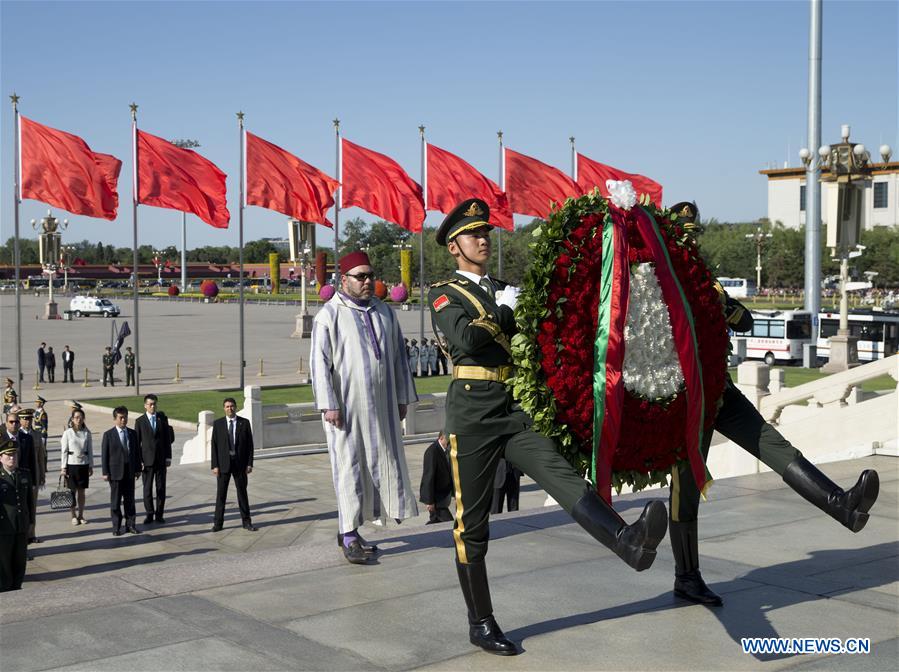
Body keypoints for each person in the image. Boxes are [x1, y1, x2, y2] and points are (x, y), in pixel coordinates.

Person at [429, 199, 668, 655]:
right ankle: (481, 622)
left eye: (486, 232)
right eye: (474, 234)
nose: (484, 239)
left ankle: (628, 542)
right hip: (473, 415)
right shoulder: (445, 292)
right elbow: (465, 339)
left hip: (514, 408)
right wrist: (502, 312)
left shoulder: (504, 288)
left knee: (562, 477)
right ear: (454, 247)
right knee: (471, 525)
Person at [664, 201, 881, 607]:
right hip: (682, 397)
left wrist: (721, 305)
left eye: (693, 236)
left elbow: (744, 320)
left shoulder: (704, 280)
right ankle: (686, 577)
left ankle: (841, 505)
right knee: (686, 487)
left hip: (718, 389)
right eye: (684, 236)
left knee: (771, 442)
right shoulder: (659, 282)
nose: (691, 242)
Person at [311, 250, 419, 565]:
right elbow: (319, 364)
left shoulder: (385, 312)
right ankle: (347, 535)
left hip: (382, 408)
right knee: (349, 467)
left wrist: (401, 398)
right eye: (361, 276)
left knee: (383, 464)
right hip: (345, 409)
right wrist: (329, 404)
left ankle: (354, 529)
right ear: (343, 280)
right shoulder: (329, 315)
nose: (368, 281)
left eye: (371, 275)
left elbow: (400, 359)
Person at [210, 397, 257, 532]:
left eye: (232, 406)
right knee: (221, 495)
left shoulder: (244, 423)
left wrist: (249, 463)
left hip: (240, 464)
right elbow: (214, 446)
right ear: (224, 408)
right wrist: (215, 465)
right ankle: (218, 524)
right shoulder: (218, 424)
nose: (229, 408)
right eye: (227, 406)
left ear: (235, 407)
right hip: (223, 465)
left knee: (242, 493)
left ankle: (247, 522)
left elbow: (250, 446)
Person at [134, 394, 174, 524]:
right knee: (147, 489)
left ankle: (159, 514)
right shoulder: (139, 421)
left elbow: (167, 440)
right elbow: (136, 443)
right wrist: (139, 460)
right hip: (147, 461)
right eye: (150, 404)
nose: (153, 406)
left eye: (154, 404)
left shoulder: (162, 419)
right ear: (145, 405)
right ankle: (149, 514)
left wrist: (168, 457)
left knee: (161, 488)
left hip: (161, 460)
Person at [101, 406, 140, 536]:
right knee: (116, 502)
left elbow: (136, 452)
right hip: (115, 473)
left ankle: (131, 525)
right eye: (121, 417)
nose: (123, 420)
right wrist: (105, 472)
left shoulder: (132, 433)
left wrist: (138, 469)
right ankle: (116, 526)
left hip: (129, 473)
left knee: (130, 501)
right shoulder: (108, 435)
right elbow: (104, 455)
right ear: (115, 419)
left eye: (125, 417)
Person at [0, 438, 31, 592]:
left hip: (21, 526)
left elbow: (29, 502)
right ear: (1, 458)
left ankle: (17, 586)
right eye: (8, 455)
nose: (12, 458)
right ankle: (5, 588)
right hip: (4, 527)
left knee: (20, 561)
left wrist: (30, 524)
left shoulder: (24, 474)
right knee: (4, 562)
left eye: (14, 455)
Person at [17, 409, 46, 545]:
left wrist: (42, 475)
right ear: (20, 420)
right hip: (19, 477)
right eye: (25, 419)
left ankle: (31, 534)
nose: (27, 421)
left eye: (29, 419)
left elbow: (41, 457)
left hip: (33, 476)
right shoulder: (16, 435)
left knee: (32, 507)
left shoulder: (37, 435)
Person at [60, 407, 93, 525]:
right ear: (72, 419)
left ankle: (81, 515)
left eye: (81, 417)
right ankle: (73, 515)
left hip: (83, 464)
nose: (78, 420)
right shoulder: (67, 433)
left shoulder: (87, 433)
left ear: (84, 419)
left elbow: (90, 450)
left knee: (82, 492)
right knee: (72, 492)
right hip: (71, 464)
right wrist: (63, 467)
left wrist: (91, 465)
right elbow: (64, 451)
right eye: (76, 417)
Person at [420, 432, 454, 524]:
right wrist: (429, 501)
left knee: (435, 521)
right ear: (442, 437)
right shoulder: (432, 452)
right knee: (449, 523)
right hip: (436, 499)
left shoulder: (446, 450)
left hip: (442, 496)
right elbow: (428, 477)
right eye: (449, 439)